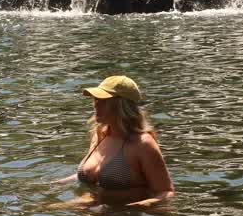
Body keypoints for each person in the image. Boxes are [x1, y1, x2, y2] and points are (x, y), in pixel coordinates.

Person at [59, 75, 174, 208]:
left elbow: (166, 192)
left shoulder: (143, 144)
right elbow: (92, 176)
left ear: (121, 106)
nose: (95, 105)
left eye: (103, 100)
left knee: (45, 210)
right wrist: (52, 185)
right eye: (96, 99)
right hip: (92, 213)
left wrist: (135, 207)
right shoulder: (100, 134)